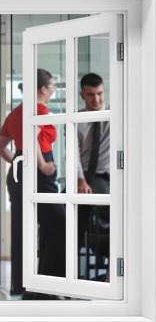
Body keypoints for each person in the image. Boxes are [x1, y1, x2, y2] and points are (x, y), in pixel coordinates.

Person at [0, 69, 66, 295]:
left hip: (17, 173)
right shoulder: (39, 109)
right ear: (43, 89)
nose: (52, 92)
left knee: (22, 230)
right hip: (38, 174)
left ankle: (23, 285)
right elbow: (32, 137)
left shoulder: (15, 113)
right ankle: (47, 284)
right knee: (59, 226)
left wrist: (18, 161)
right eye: (52, 87)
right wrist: (42, 165)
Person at [76, 73, 110, 282]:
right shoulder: (75, 121)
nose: (96, 100)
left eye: (99, 94)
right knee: (70, 214)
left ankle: (109, 274)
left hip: (110, 176)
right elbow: (71, 154)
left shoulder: (114, 114)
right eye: (90, 95)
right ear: (82, 95)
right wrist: (80, 180)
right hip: (88, 176)